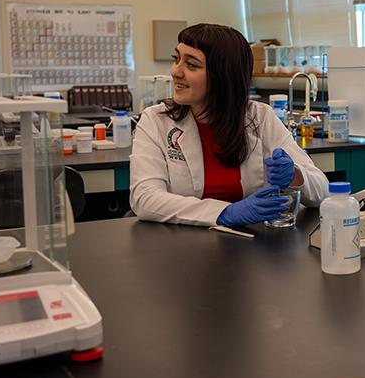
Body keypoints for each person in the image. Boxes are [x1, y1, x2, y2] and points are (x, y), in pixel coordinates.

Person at [130, 24, 328, 227]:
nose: (175, 71)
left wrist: (294, 175)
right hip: (181, 246)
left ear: (223, 76)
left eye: (191, 65)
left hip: (251, 247)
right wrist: (225, 213)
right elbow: (145, 198)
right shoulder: (156, 120)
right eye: (177, 59)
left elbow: (322, 190)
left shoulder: (259, 117)